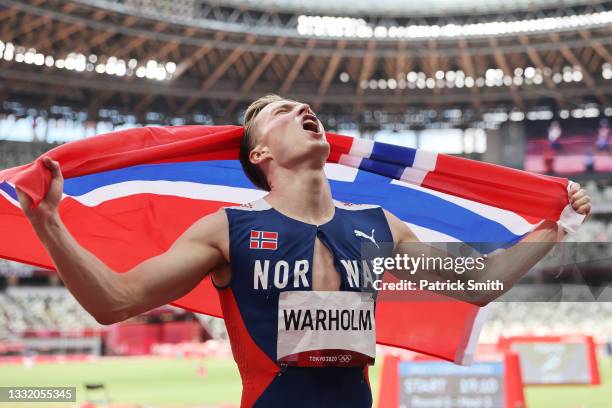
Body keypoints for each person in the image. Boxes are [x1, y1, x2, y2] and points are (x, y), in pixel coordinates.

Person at [16, 94, 592, 407]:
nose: (300, 110)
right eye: (280, 113)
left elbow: (478, 282)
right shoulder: (226, 231)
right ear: (261, 153)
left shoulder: (380, 225)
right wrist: (50, 226)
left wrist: (553, 227)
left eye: (302, 107)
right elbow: (115, 301)